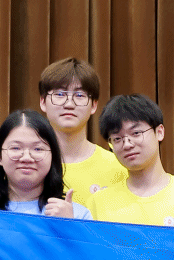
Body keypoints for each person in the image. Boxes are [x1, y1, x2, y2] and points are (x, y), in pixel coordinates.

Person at [86, 95, 174, 228]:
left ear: (159, 132)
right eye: (117, 138)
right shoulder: (97, 204)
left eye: (136, 133)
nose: (127, 144)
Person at [38, 58, 128, 200]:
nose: (69, 104)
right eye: (60, 94)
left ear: (94, 105)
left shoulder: (118, 166)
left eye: (79, 95)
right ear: (43, 101)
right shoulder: (28, 164)